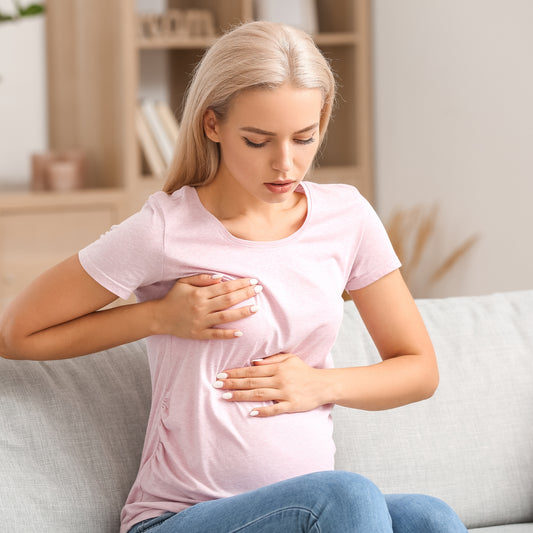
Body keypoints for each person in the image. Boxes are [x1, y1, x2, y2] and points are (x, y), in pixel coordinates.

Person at [0, 21, 467, 533]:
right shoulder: (165, 229)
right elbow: (16, 333)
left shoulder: (347, 217)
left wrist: (317, 385)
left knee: (430, 517)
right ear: (212, 125)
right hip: (182, 517)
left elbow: (419, 370)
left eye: (304, 138)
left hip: (307, 512)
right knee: (346, 495)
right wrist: (158, 316)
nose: (285, 164)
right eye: (257, 140)